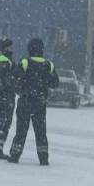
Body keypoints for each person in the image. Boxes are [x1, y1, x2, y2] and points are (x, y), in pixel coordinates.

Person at [7, 37, 59, 165]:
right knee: (41, 132)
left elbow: (14, 77)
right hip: (40, 103)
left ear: (30, 49)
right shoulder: (48, 65)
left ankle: (15, 155)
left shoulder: (25, 62)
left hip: (25, 101)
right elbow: (55, 83)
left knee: (21, 131)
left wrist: (19, 89)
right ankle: (43, 158)